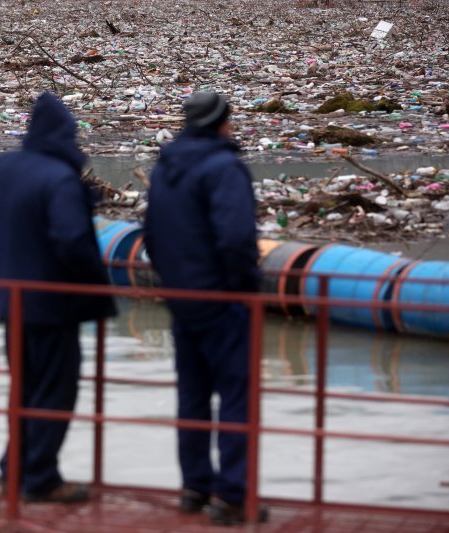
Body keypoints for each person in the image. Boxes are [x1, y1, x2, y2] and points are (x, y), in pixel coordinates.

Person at [0, 91, 116, 504]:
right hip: (52, 304)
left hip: (7, 302)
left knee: (24, 388)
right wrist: (95, 289)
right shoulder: (60, 177)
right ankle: (40, 478)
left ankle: (13, 469)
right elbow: (72, 241)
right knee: (55, 391)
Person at [143, 92, 267, 525]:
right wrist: (246, 288)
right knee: (236, 395)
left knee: (192, 395)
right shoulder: (224, 167)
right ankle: (232, 496)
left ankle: (195, 486)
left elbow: (152, 235)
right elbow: (235, 238)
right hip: (222, 300)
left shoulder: (165, 167)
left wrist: (172, 282)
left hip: (182, 300)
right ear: (221, 122)